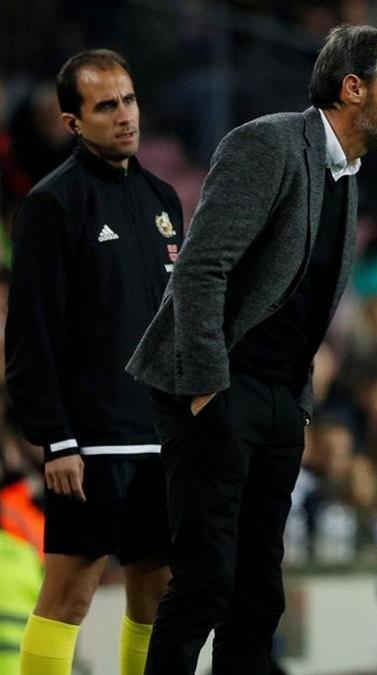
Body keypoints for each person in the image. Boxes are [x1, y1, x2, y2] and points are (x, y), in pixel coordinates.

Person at [125, 25, 377, 674]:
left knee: (259, 593)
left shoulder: (347, 173)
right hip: (218, 389)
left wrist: (295, 402)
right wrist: (208, 390)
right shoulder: (268, 143)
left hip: (280, 400)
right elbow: (201, 270)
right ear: (352, 87)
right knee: (207, 581)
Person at [6, 49, 183, 675]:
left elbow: (175, 325)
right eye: (106, 106)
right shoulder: (52, 205)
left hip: (159, 440)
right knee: (68, 596)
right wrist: (56, 441)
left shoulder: (164, 198)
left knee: (155, 596)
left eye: (129, 100)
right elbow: (30, 338)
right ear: (72, 122)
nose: (124, 116)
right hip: (90, 447)